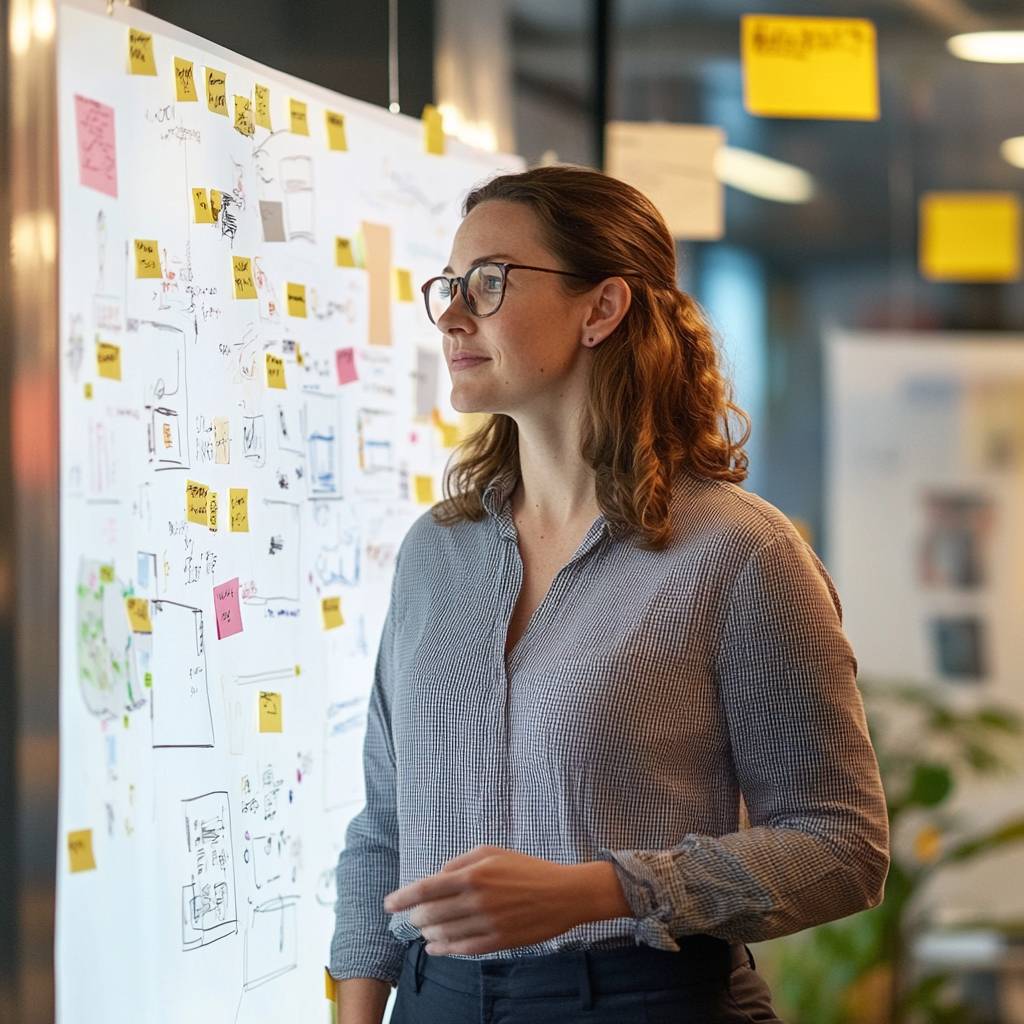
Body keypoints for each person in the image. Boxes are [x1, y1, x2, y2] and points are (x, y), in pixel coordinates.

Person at [328, 164, 890, 1024]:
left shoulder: (740, 554)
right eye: (449, 285)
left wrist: (601, 891)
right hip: (432, 1001)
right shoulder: (435, 553)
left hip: (643, 1000)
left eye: (490, 282)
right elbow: (384, 827)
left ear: (602, 307)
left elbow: (842, 847)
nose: (451, 314)